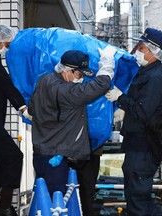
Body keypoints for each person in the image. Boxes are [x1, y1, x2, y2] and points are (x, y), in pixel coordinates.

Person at [28, 47, 116, 215]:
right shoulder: (64, 90)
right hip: (56, 157)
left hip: (44, 154)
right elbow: (97, 87)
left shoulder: (44, 81)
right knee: (57, 206)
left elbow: (32, 108)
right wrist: (106, 65)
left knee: (50, 203)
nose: (81, 79)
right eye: (79, 74)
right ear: (68, 71)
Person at [105, 27, 162, 216]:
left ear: (154, 51)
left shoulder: (156, 77)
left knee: (138, 199)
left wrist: (121, 99)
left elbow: (144, 111)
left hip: (144, 146)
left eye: (141, 48)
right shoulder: (147, 72)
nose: (136, 51)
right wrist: (125, 110)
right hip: (137, 144)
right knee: (138, 198)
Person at [0, 24, 31, 216]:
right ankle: (3, 207)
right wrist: (22, 106)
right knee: (13, 157)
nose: (6, 49)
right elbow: (4, 82)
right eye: (6, 45)